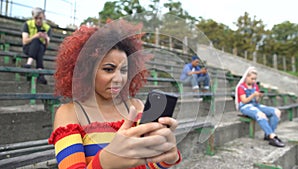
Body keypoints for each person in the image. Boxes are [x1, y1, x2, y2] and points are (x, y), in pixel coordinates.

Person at [48, 19, 181, 169]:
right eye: (109, 69)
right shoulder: (69, 113)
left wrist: (166, 157)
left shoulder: (136, 106)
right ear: (87, 70)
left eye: (123, 70)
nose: (119, 79)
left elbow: (148, 164)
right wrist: (106, 162)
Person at [235, 67, 285, 147]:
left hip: (255, 105)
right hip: (245, 106)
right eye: (252, 79)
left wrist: (258, 96)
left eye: (255, 79)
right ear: (246, 77)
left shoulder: (255, 86)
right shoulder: (241, 87)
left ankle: (268, 134)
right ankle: (272, 137)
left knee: (276, 112)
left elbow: (257, 101)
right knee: (261, 115)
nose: (254, 81)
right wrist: (253, 95)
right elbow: (244, 100)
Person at [21, 7, 52, 85]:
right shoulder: (27, 24)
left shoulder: (47, 28)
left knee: (40, 46)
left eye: (40, 18)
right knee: (36, 41)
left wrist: (45, 38)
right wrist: (35, 36)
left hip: (40, 49)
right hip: (28, 47)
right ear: (33, 17)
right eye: (36, 18)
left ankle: (28, 64)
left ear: (43, 17)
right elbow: (25, 41)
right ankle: (40, 73)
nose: (38, 20)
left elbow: (46, 45)